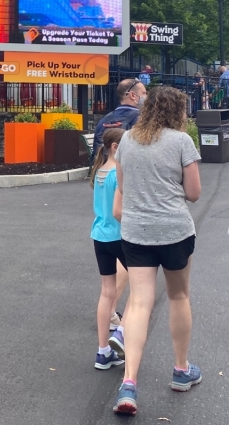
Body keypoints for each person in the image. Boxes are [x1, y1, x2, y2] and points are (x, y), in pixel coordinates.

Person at [111, 87, 203, 416]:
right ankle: (181, 370)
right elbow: (193, 193)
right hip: (175, 232)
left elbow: (122, 187)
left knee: (138, 303)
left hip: (136, 233)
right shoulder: (181, 142)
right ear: (178, 111)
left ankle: (129, 383)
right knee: (178, 297)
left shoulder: (127, 142)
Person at [91, 127, 129, 371]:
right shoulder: (119, 172)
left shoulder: (98, 171)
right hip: (120, 235)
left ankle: (103, 351)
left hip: (99, 236)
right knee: (141, 287)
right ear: (116, 147)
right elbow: (120, 209)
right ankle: (123, 333)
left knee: (107, 293)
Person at [92, 79, 146, 159]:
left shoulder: (104, 120)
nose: (146, 97)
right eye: (144, 93)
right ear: (133, 95)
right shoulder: (141, 119)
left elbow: (95, 151)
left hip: (103, 166)